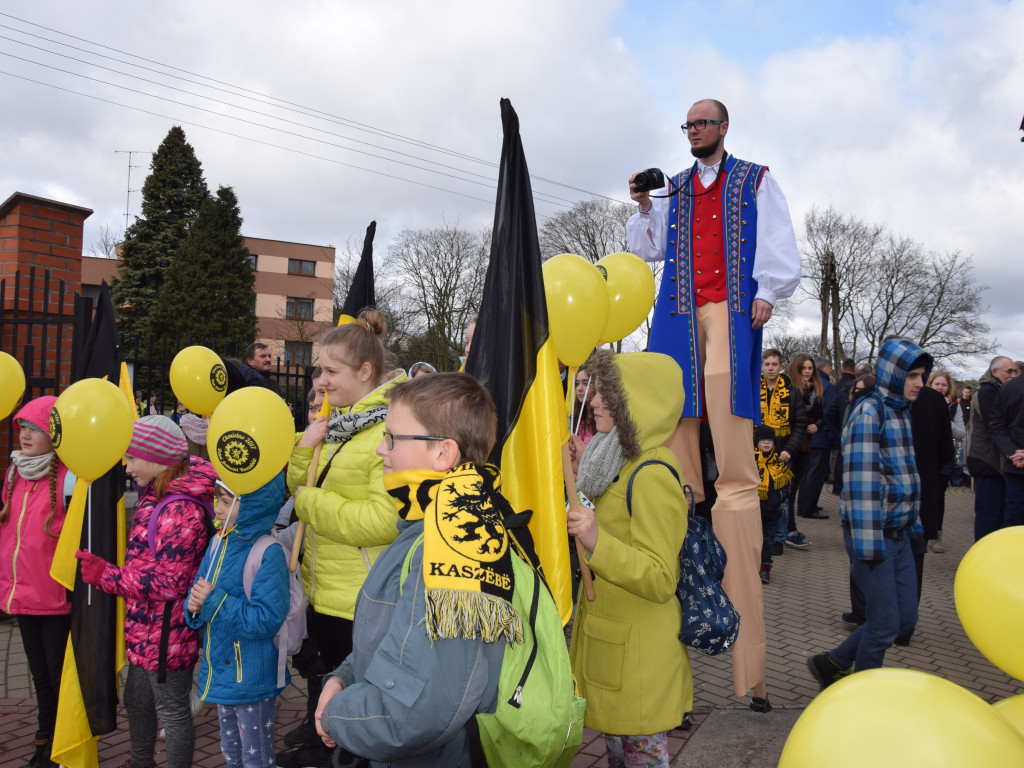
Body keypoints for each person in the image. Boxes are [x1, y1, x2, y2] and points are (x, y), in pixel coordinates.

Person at [626, 97, 801, 705]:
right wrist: (645, 205)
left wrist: (768, 292)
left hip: (729, 311)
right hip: (676, 319)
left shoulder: (755, 178)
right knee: (677, 473)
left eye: (702, 123)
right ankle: (667, 682)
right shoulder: (673, 189)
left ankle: (750, 672)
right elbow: (648, 249)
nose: (694, 131)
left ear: (723, 128)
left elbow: (777, 241)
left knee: (735, 477)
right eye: (688, 125)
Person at [314, 372, 519, 765]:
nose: (380, 449)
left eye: (392, 437)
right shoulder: (435, 522)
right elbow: (395, 639)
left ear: (443, 453)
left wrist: (334, 716)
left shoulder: (452, 546)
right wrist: (344, 677)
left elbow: (421, 711)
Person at [280, 308, 405, 768]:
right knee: (323, 688)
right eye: (319, 368)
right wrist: (304, 448)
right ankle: (320, 751)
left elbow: (381, 520)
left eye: (331, 371)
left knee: (357, 706)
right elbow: (300, 485)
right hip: (323, 587)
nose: (320, 380)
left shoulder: (386, 429)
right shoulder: (339, 423)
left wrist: (309, 502)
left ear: (365, 372)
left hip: (361, 597)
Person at [566, 350, 692, 765]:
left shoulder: (653, 473)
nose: (595, 400)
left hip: (639, 659)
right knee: (619, 756)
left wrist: (598, 541)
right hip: (615, 649)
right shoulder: (612, 455)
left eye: (606, 394)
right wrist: (582, 465)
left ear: (636, 403)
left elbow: (659, 577)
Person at [75, 416, 215, 768]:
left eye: (133, 458)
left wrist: (106, 575)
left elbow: (169, 583)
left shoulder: (179, 508)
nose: (127, 465)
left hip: (167, 633)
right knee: (137, 700)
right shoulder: (158, 494)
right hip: (147, 628)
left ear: (157, 459)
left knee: (172, 710)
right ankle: (140, 762)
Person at [807, 338, 931, 689]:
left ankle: (833, 663)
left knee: (904, 619)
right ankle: (862, 698)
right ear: (894, 374)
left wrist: (916, 527)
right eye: (913, 375)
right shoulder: (869, 412)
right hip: (872, 538)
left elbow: (907, 476)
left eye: (923, 375)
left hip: (901, 534)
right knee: (883, 624)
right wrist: (869, 548)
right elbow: (860, 486)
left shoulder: (902, 412)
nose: (919, 383)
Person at [185, 475, 290, 768]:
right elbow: (199, 591)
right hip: (222, 669)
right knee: (231, 751)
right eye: (217, 500)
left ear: (253, 505)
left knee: (255, 756)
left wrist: (214, 602)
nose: (217, 509)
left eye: (227, 502)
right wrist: (192, 608)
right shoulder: (218, 542)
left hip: (250, 676)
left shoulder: (268, 552)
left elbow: (268, 620)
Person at [0, 397, 74, 768]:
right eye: (22, 427)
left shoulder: (69, 479)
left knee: (59, 677)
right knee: (39, 676)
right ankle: (44, 739)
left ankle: (60, 746)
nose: (25, 435)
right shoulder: (14, 472)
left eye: (35, 428)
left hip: (56, 598)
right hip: (22, 595)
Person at [966, 356, 1019, 540]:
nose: (1013, 375)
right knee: (988, 517)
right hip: (987, 462)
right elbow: (996, 424)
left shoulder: (998, 390)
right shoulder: (988, 392)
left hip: (996, 462)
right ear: (995, 372)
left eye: (1015, 371)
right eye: (1009, 371)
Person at [760, 349, 807, 556]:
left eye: (774, 364)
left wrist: (789, 449)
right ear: (762, 366)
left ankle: (779, 539)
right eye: (767, 364)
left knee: (782, 500)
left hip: (782, 455)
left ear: (780, 366)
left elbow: (800, 424)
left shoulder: (791, 391)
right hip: (758, 455)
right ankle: (762, 538)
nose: (771, 368)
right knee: (760, 498)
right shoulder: (755, 388)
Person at [925, 370, 966, 552]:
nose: (940, 388)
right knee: (924, 494)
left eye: (944, 385)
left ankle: (936, 536)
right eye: (937, 384)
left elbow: (960, 433)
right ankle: (921, 532)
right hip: (926, 456)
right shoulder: (921, 402)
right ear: (930, 384)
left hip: (945, 457)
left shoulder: (954, 407)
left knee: (938, 497)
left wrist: (944, 414)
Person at [755, 425, 793, 585]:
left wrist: (780, 497)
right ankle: (752, 566)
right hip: (755, 511)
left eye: (769, 440)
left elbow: (787, 484)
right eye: (762, 440)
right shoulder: (752, 463)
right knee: (754, 540)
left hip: (772, 510)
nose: (766, 443)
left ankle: (765, 566)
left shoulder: (778, 464)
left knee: (769, 540)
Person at [987, 369, 1024, 530]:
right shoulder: (1011, 388)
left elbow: (996, 426)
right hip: (1016, 467)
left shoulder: (1009, 387)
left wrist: (1012, 452)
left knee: (1014, 522)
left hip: (1015, 465)